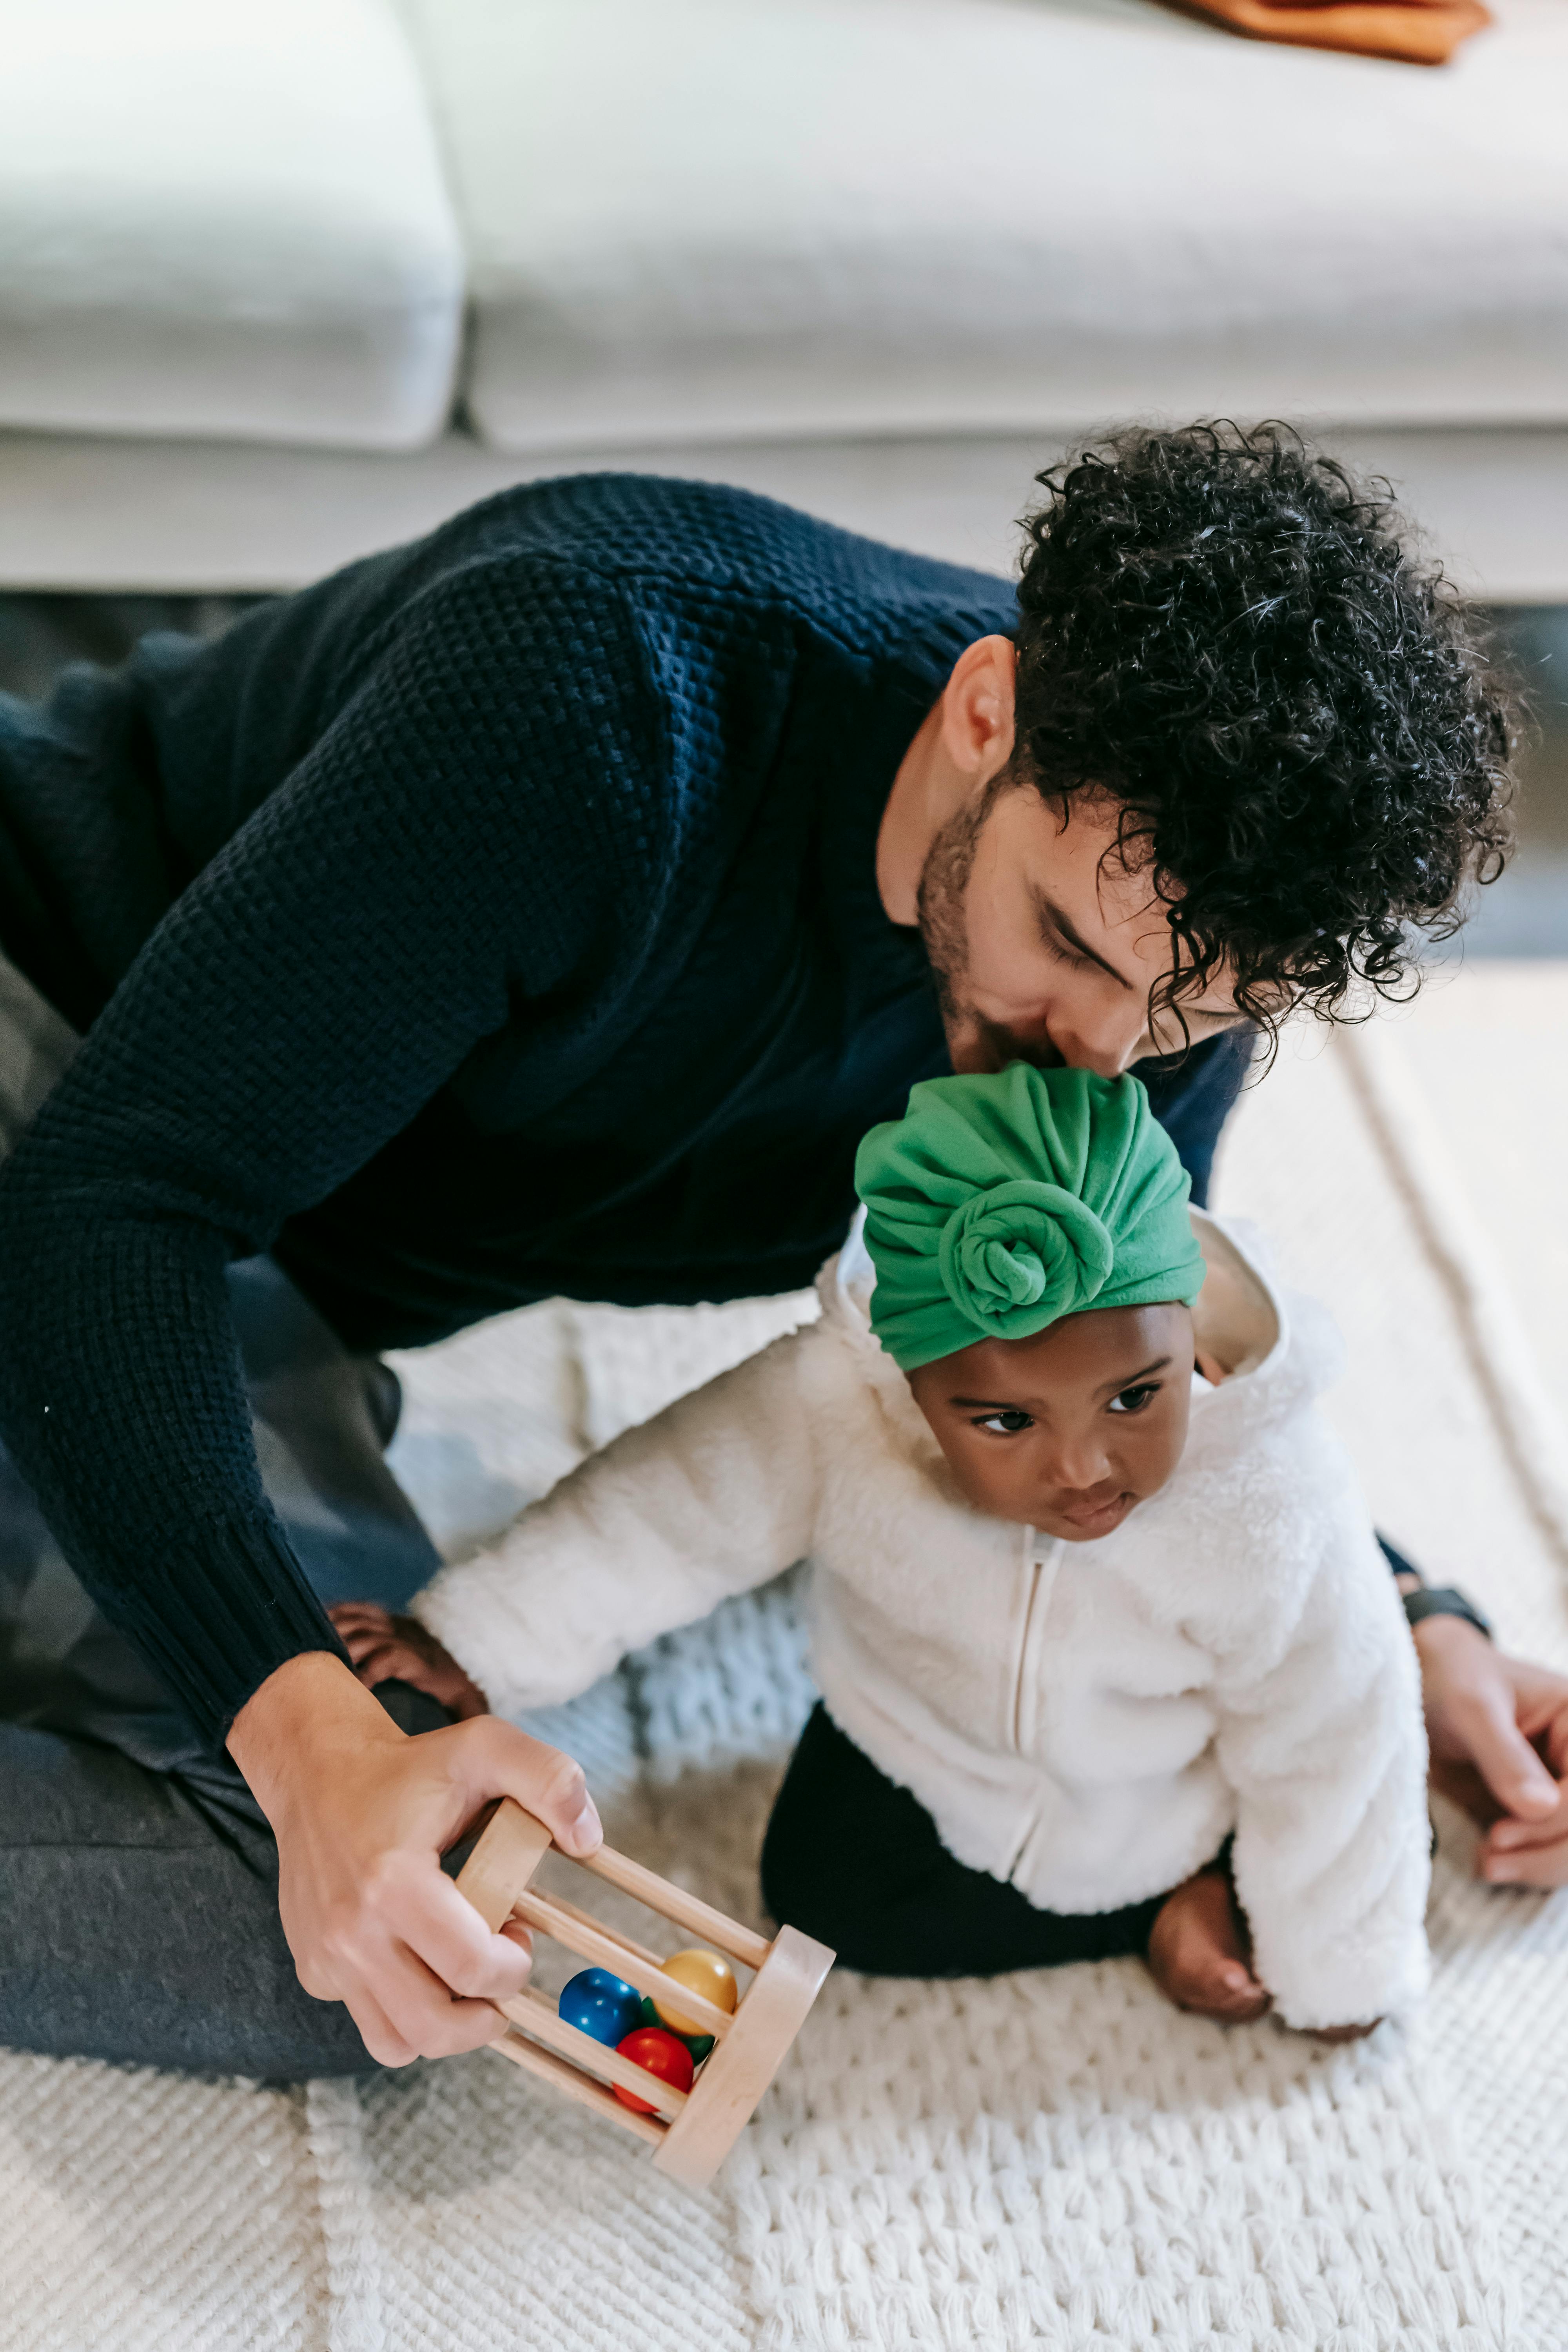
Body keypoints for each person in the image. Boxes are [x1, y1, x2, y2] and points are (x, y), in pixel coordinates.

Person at [0, 423, 1561, 2078]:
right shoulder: (589, 687)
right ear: (983, 716)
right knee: (317, 1817)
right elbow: (117, 1200)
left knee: (407, 1920)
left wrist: (1407, 1620)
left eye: (1186, 1019)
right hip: (66, 1046)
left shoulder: (1162, 976)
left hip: (258, 1278)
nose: (1095, 1058)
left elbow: (1093, 1371)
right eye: (1063, 943)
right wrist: (300, 1739)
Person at [340, 1063, 1432, 2037]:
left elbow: (1346, 1722)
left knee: (1295, 1780)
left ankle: (1173, 1894)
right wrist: (475, 1643)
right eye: (1007, 1422)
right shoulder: (842, 1406)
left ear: (1191, 1329)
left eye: (1136, 1395)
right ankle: (1125, 1901)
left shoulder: (1268, 1491)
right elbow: (670, 1511)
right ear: (910, 1384)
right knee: (821, 1898)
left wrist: (1336, 1967)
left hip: (1149, 1798)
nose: (1087, 1468)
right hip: (922, 1744)